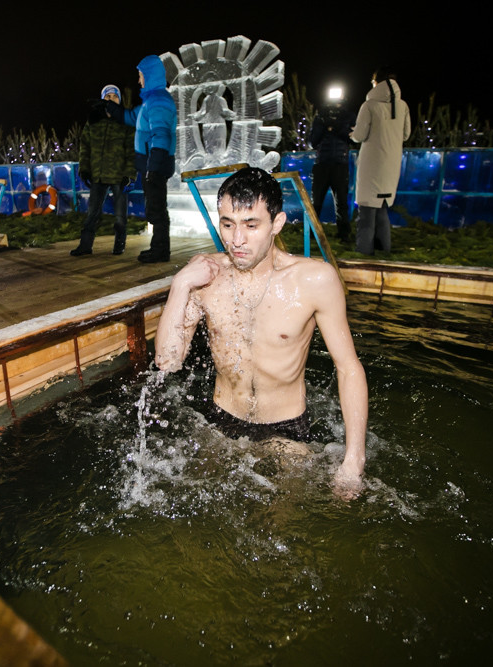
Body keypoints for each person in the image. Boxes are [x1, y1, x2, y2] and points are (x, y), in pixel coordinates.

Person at [154, 167, 368, 497]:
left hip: (287, 429)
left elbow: (348, 367)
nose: (236, 240)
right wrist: (179, 285)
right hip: (222, 418)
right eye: (227, 224)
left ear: (276, 224)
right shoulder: (205, 276)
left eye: (251, 225)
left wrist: (353, 461)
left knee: (285, 526)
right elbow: (168, 361)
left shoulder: (314, 280)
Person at [106, 55, 176, 264]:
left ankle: (161, 251)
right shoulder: (150, 101)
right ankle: (158, 248)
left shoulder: (159, 101)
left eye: (140, 75)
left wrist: (153, 168)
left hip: (155, 164)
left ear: (149, 75)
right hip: (151, 164)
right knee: (154, 208)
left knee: (157, 209)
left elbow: (161, 134)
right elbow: (129, 117)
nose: (139, 80)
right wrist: (110, 108)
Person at [349, 68, 411, 255]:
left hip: (371, 165)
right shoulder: (403, 106)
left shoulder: (369, 106)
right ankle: (384, 251)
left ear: (377, 83)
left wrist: (352, 133)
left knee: (366, 213)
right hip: (391, 164)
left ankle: (364, 253)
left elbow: (359, 136)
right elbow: (406, 135)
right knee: (382, 211)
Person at [71, 84, 137, 256]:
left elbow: (132, 150)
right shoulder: (93, 121)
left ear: (119, 100)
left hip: (118, 174)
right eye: (107, 96)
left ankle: (119, 244)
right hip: (98, 175)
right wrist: (84, 170)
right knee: (92, 212)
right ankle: (85, 246)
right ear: (102, 99)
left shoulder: (125, 121)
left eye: (114, 96)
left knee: (120, 215)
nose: (111, 99)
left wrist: (129, 175)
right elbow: (85, 147)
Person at [309, 94, 355, 241]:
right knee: (316, 201)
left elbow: (352, 138)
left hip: (340, 164)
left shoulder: (348, 117)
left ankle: (344, 234)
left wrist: (335, 127)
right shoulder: (320, 117)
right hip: (322, 164)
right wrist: (324, 126)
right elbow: (312, 142)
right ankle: (311, 233)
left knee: (341, 201)